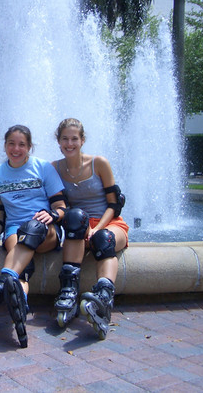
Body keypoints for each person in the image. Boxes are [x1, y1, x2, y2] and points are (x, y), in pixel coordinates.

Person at [0, 125, 67, 348]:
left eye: (21, 144)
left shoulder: (44, 168)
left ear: (29, 147)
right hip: (15, 230)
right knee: (22, 267)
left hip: (45, 230)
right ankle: (19, 300)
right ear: (5, 145)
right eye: (11, 143)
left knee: (32, 230)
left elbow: (61, 206)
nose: (16, 149)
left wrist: (52, 214)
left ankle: (1, 280)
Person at [52, 118, 128, 339]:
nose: (70, 143)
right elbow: (55, 203)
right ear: (58, 141)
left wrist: (97, 229)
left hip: (109, 223)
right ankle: (69, 292)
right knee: (74, 217)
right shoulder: (54, 168)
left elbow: (114, 204)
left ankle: (104, 298)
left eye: (74, 138)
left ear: (82, 140)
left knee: (103, 239)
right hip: (79, 226)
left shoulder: (99, 163)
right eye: (65, 139)